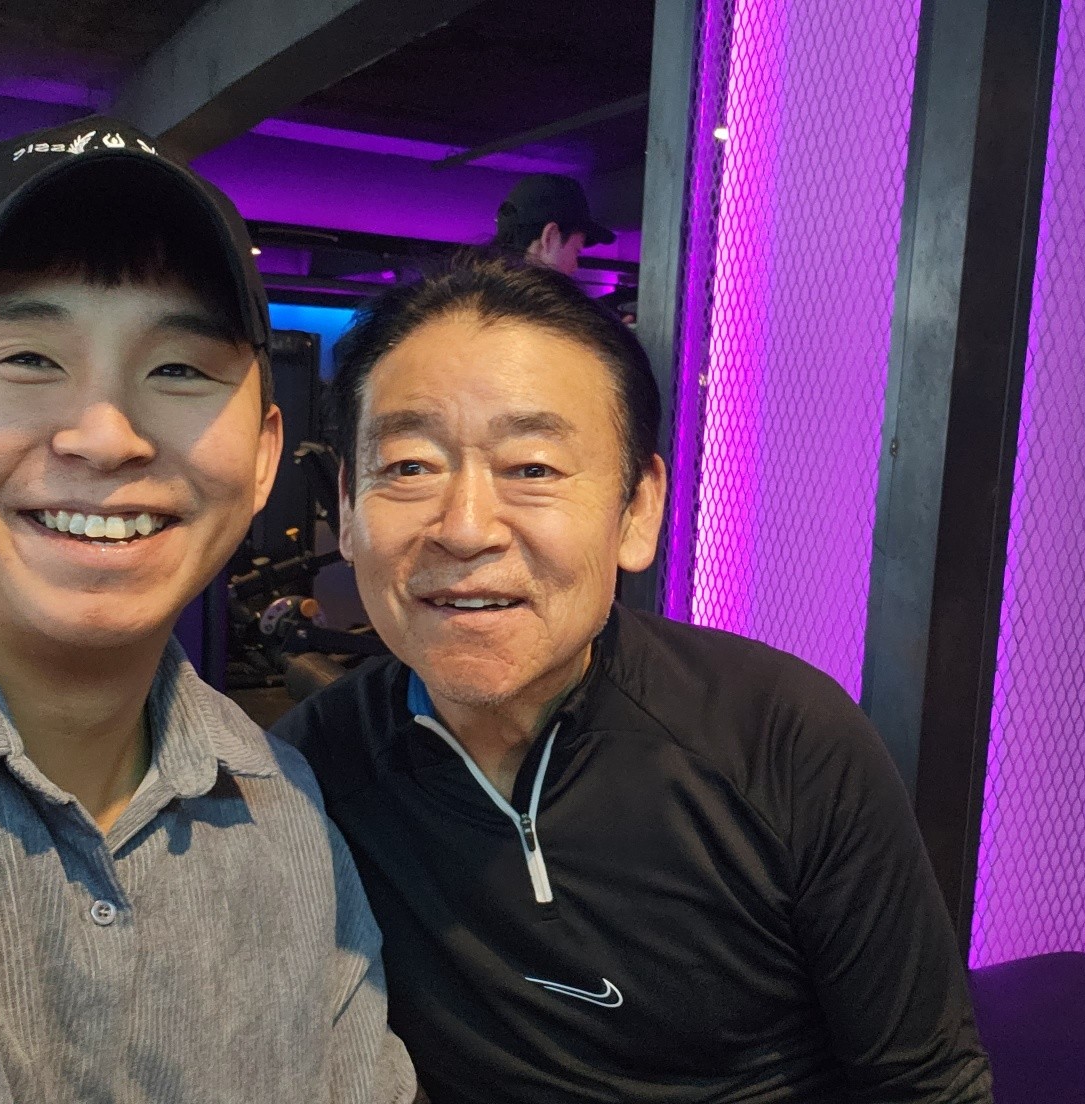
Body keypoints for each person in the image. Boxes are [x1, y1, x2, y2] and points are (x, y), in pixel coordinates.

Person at [272, 254, 994, 1102]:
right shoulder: (305, 780)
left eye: (532, 468)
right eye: (409, 467)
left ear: (638, 510)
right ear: (348, 507)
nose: (465, 528)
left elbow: (927, 1085)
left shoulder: (783, 741)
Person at [0, 116, 417, 1102]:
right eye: (27, 358)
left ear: (263, 460)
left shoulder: (283, 808)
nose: (104, 436)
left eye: (178, 369)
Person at [493, 173, 615, 276]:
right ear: (550, 236)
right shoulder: (535, 298)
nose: (575, 267)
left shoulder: (486, 290)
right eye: (576, 250)